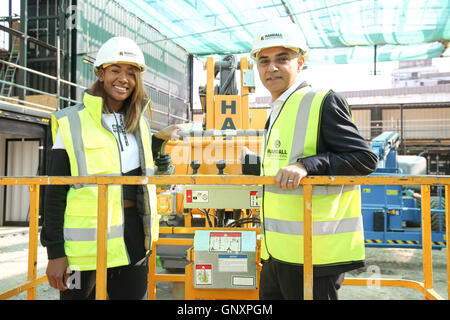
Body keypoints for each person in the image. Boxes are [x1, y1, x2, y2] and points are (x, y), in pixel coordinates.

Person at [242, 18, 378, 300]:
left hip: (313, 255)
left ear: (300, 62)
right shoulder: (278, 108)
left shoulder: (322, 101)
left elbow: (364, 159)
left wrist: (307, 165)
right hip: (276, 252)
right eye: (264, 61)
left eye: (282, 59)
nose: (272, 68)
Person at [40, 36, 181, 300]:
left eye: (131, 73)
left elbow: (126, 164)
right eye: (116, 70)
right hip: (82, 253)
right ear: (101, 74)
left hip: (133, 242)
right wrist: (55, 253)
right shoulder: (72, 122)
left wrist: (158, 140)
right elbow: (54, 194)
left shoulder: (139, 123)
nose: (124, 79)